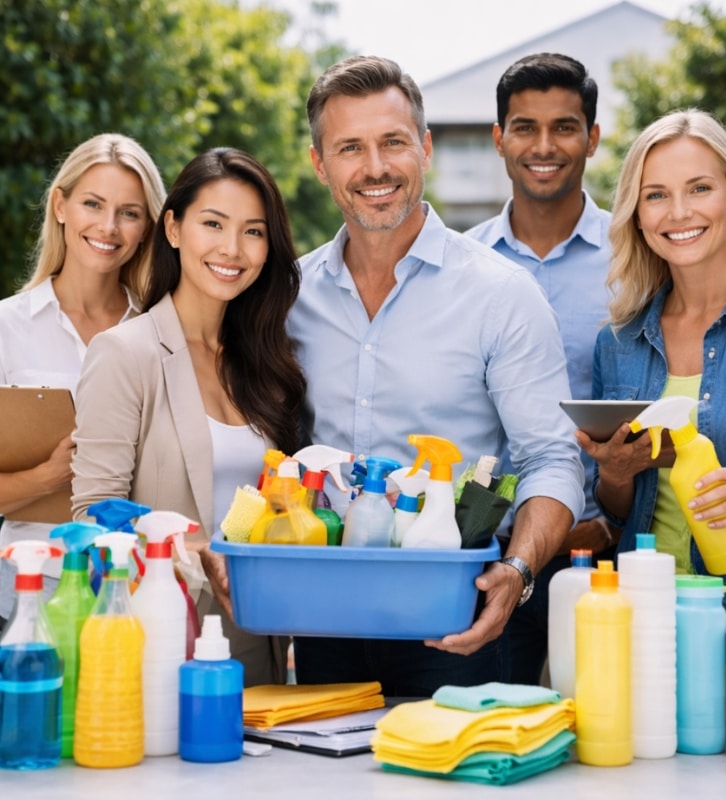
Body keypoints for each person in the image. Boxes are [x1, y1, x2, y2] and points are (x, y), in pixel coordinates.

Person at [286, 55, 585, 697]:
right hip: (319, 624)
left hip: (454, 628)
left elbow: (553, 460)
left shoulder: (502, 294)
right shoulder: (288, 296)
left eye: (393, 142)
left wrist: (518, 570)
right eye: (349, 147)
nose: (375, 167)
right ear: (320, 165)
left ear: (424, 148)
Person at [71, 148, 307, 685]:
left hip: (259, 647)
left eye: (253, 231)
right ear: (173, 229)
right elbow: (90, 520)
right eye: (213, 224)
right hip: (160, 646)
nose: (232, 248)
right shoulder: (125, 353)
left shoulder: (266, 364)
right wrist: (194, 551)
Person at [578, 108, 726, 624]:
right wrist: (614, 471)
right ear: (637, 215)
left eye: (699, 188)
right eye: (656, 195)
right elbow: (617, 509)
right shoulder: (617, 343)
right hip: (645, 624)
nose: (678, 212)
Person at [466, 52, 617, 685]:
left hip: (603, 555)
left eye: (565, 126)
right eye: (525, 127)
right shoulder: (462, 267)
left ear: (592, 138)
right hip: (495, 555)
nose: (544, 145)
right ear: (500, 140)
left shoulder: (635, 260)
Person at [0, 133, 165, 625]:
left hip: (135, 593)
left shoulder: (159, 334)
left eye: (130, 213)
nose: (109, 227)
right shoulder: (8, 328)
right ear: (60, 205)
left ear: (147, 228)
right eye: (93, 204)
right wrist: (47, 476)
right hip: (27, 597)